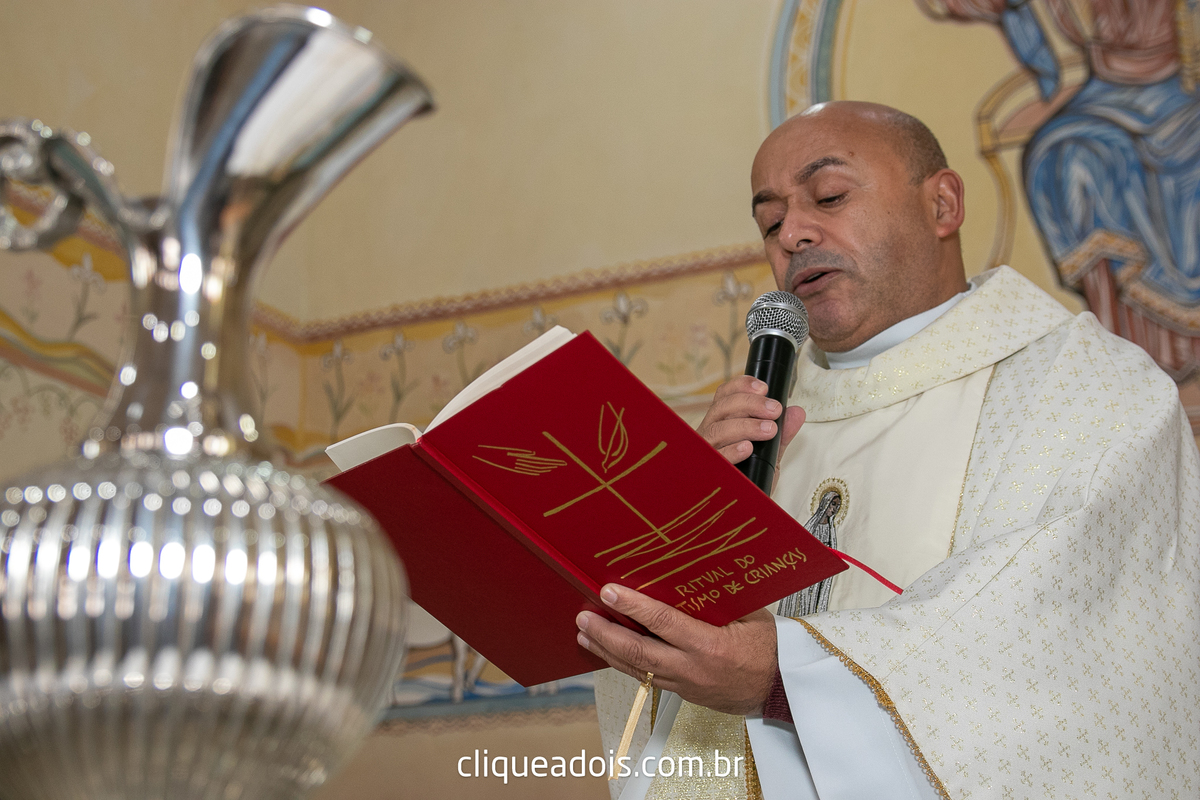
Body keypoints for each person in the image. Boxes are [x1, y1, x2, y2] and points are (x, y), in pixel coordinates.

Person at [579, 101, 1200, 799]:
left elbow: (1055, 646)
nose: (794, 234)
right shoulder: (756, 420)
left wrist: (786, 678)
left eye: (830, 196)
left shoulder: (1091, 389)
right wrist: (681, 516)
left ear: (943, 203)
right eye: (770, 222)